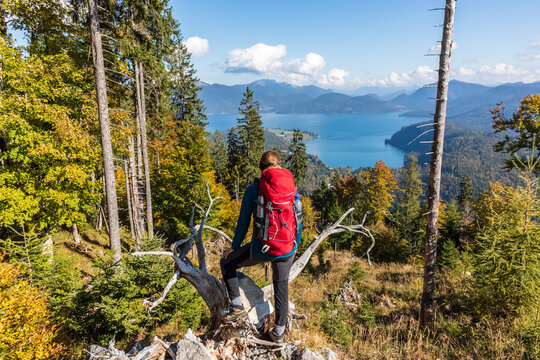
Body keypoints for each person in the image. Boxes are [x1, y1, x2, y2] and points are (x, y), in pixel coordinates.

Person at [220, 150, 298, 343]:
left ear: (261, 168)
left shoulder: (254, 190)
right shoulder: (290, 188)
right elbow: (298, 219)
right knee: (281, 286)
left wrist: (234, 246)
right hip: (287, 248)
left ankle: (237, 307)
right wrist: (294, 245)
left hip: (262, 249)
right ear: (279, 165)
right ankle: (279, 332)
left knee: (227, 263)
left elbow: (243, 222)